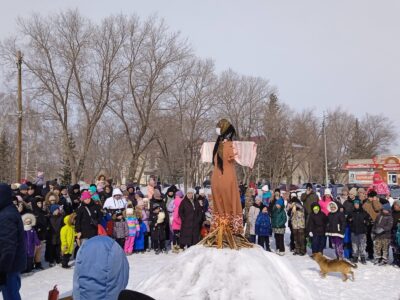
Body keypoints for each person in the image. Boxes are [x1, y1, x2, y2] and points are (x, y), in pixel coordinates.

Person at [210, 119, 243, 234]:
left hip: (226, 177)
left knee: (228, 200)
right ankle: (219, 228)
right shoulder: (217, 144)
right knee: (218, 201)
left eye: (219, 127)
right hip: (217, 177)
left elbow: (234, 156)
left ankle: (229, 229)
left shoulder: (230, 145)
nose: (217, 130)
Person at [0, 183, 26, 300]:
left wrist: (3, 269)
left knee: (11, 295)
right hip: (9, 265)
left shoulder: (7, 216)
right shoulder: (6, 211)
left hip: (8, 266)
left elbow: (8, 246)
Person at [347, 199, 369, 264]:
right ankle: (355, 257)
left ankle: (363, 257)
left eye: (357, 204)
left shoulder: (364, 212)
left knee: (362, 245)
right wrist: (349, 220)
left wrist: (366, 222)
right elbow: (348, 220)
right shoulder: (351, 212)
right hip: (354, 231)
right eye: (355, 204)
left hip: (362, 231)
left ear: (360, 204)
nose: (356, 205)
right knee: (354, 245)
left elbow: (368, 220)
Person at [363, 190, 383, 260]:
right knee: (369, 239)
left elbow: (378, 208)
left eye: (372, 197)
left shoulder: (377, 202)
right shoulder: (365, 204)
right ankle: (370, 253)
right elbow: (364, 211)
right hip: (369, 224)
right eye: (370, 197)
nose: (370, 198)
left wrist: (374, 201)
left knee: (378, 239)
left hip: (377, 223)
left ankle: (379, 254)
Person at [31, 196, 47, 270]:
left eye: (40, 203)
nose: (40, 204)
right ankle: (31, 263)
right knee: (34, 249)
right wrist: (37, 227)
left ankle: (38, 262)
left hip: (42, 233)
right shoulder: (32, 212)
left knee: (39, 248)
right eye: (38, 203)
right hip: (35, 233)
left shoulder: (43, 212)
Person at [391, 200, 400, 267]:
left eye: (396, 205)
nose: (395, 206)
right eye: (394, 205)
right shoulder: (392, 212)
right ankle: (395, 259)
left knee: (398, 247)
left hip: (399, 232)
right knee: (394, 246)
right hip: (392, 231)